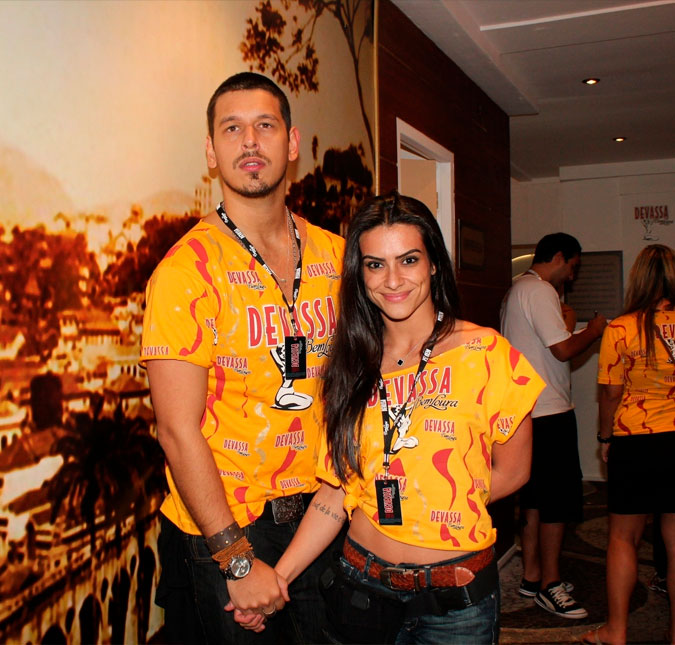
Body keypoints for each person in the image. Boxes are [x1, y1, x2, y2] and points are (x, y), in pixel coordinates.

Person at [244, 192, 544, 644]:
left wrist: (433, 501)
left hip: (455, 599)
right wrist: (279, 579)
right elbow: (336, 491)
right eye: (375, 264)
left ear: (434, 264)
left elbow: (515, 471)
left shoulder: (486, 353)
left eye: (408, 260)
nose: (393, 280)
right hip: (359, 587)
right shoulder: (350, 362)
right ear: (360, 273)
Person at [140, 72, 344, 644]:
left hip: (326, 516)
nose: (250, 141)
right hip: (230, 529)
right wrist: (234, 557)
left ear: (292, 142)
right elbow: (176, 430)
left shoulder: (336, 256)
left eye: (265, 126)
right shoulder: (185, 272)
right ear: (211, 152)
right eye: (232, 129)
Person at [500, 232, 607, 619]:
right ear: (559, 257)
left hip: (527, 411)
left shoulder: (517, 289)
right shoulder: (540, 290)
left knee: (533, 502)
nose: (572, 276)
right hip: (549, 412)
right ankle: (550, 584)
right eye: (573, 267)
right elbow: (562, 349)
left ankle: (532, 577)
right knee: (556, 504)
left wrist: (570, 325)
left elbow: (548, 346)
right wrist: (593, 330)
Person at [582, 244, 675, 645]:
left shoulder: (620, 328)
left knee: (622, 538)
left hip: (635, 441)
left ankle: (616, 631)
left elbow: (610, 393)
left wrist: (605, 438)